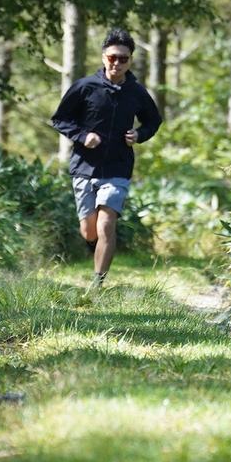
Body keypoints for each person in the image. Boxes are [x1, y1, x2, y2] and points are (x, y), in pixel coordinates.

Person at [51, 29, 163, 288]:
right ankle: (95, 248)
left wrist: (139, 133)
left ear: (130, 60)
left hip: (118, 167)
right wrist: (82, 136)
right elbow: (60, 119)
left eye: (123, 59)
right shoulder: (84, 87)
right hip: (84, 166)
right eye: (113, 57)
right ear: (104, 58)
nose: (117, 63)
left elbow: (153, 121)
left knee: (106, 223)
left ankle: (97, 282)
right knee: (89, 231)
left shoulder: (136, 92)